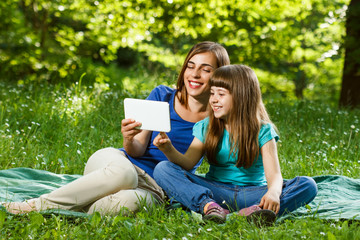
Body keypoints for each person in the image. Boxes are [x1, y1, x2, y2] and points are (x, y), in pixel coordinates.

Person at [3, 41, 230, 215]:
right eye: (191, 66)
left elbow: (191, 164)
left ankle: (77, 203)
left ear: (219, 75)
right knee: (124, 175)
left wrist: (169, 149)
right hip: (116, 166)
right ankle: (36, 205)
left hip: (157, 190)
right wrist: (128, 139)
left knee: (124, 204)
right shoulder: (163, 95)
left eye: (205, 69)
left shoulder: (215, 118)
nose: (195, 74)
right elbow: (136, 150)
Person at [153, 65, 318, 225]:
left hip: (253, 194)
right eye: (212, 93)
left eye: (221, 94)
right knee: (163, 169)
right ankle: (209, 207)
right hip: (216, 193)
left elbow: (274, 176)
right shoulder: (206, 126)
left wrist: (273, 193)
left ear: (241, 96)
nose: (214, 100)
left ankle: (248, 212)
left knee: (307, 185)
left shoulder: (263, 130)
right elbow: (187, 163)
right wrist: (168, 149)